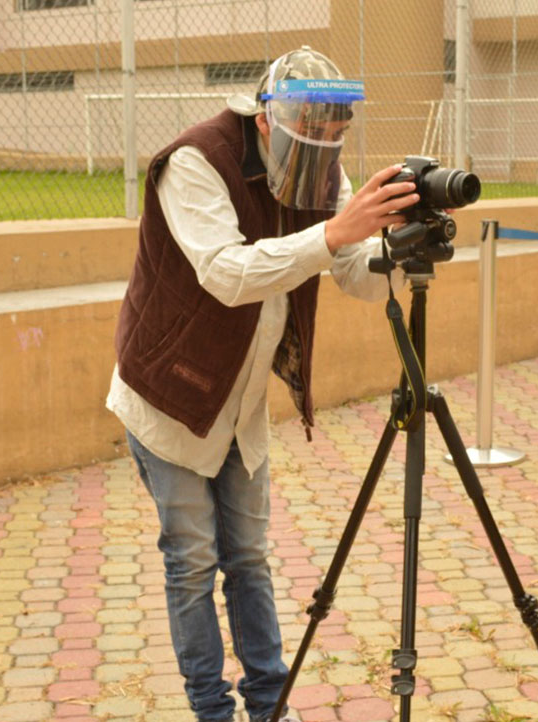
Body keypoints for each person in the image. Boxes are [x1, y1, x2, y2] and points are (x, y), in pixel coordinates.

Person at [106, 47, 417, 722]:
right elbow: (226, 274)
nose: (323, 160)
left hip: (239, 405)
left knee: (247, 557)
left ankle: (268, 705)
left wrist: (403, 252)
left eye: (334, 142)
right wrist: (334, 233)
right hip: (171, 398)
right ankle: (211, 709)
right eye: (311, 140)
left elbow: (354, 273)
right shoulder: (193, 162)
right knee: (191, 562)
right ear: (269, 121)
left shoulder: (320, 173)